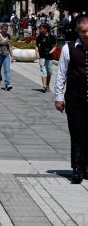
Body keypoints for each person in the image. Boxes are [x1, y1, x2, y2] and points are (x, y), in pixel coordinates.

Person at [54, 15, 88, 184]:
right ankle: (77, 169)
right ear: (77, 31)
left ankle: (86, 167)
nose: (86, 34)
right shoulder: (69, 48)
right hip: (75, 99)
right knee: (77, 133)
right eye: (83, 31)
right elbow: (61, 74)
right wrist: (58, 97)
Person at [36, 23, 57, 93]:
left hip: (49, 56)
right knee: (43, 70)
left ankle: (47, 85)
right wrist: (36, 53)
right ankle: (44, 86)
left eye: (41, 28)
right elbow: (37, 46)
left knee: (49, 72)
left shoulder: (52, 37)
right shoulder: (39, 37)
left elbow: (55, 46)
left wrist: (50, 52)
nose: (40, 29)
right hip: (42, 56)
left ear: (46, 29)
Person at [0, 23, 14, 91]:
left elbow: (10, 46)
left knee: (7, 69)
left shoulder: (8, 36)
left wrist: (12, 56)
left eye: (6, 29)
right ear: (1, 29)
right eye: (4, 29)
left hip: (6, 55)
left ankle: (7, 84)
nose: (5, 30)